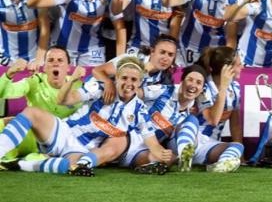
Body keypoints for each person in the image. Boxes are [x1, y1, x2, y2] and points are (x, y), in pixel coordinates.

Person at [0, 56, 171, 176]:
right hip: (64, 132)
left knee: (74, 167)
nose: (128, 83)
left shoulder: (139, 110)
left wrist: (163, 155)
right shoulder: (98, 87)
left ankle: (20, 165)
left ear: (140, 82)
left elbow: (151, 142)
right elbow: (63, 100)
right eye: (124, 78)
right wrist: (72, 80)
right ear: (117, 78)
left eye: (134, 80)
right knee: (31, 112)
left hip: (82, 150)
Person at [119, 64, 208, 175]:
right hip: (128, 138)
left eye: (198, 83)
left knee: (169, 158)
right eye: (189, 80)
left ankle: (150, 165)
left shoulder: (187, 117)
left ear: (202, 89)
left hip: (148, 149)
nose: (193, 85)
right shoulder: (163, 90)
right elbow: (134, 93)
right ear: (182, 81)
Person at [0, 47, 82, 164]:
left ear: (68, 67)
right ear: (44, 67)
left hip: (58, 142)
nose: (55, 64)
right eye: (50, 60)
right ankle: (14, 159)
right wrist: (10, 73)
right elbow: (3, 93)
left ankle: (17, 159)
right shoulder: (35, 81)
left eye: (60, 60)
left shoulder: (78, 86)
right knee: (4, 123)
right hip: (29, 138)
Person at [194, 47, 244, 172]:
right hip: (195, 140)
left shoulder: (235, 88)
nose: (242, 67)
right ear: (227, 69)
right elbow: (213, 120)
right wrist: (223, 88)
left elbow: (235, 125)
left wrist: (241, 156)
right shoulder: (202, 88)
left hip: (212, 145)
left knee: (237, 147)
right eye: (238, 64)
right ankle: (186, 156)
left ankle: (220, 165)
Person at [91, 33, 178, 103]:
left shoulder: (165, 80)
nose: (166, 58)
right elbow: (97, 71)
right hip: (94, 96)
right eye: (162, 52)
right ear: (152, 51)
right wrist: (108, 83)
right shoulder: (132, 60)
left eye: (170, 55)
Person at [0, 0, 49, 68]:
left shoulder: (36, 0)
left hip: (34, 62)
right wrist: (4, 61)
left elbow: (45, 31)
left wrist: (39, 60)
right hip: (7, 61)